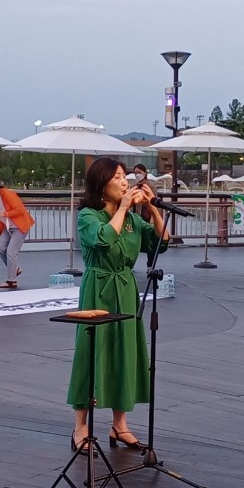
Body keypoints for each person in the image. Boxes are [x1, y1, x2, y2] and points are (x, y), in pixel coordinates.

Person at [67, 157, 169, 454]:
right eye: (117, 177)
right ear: (101, 184)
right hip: (98, 287)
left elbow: (161, 242)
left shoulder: (134, 221)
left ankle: (119, 425)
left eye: (125, 176)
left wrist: (152, 208)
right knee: (91, 352)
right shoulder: (89, 216)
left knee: (124, 351)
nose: (124, 182)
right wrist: (124, 207)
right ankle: (80, 426)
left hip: (125, 288)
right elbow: (102, 239)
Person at [0, 177, 35, 289]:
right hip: (8, 227)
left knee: (11, 251)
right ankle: (15, 269)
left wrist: (3, 214)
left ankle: (11, 281)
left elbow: (19, 209)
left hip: (19, 225)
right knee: (0, 248)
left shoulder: (8, 194)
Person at [132, 163, 158, 268]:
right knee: (132, 242)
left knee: (150, 242)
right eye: (135, 173)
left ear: (145, 173)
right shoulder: (134, 186)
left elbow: (154, 201)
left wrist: (153, 217)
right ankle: (130, 264)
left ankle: (150, 265)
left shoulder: (150, 186)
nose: (137, 175)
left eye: (139, 172)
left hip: (147, 217)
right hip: (136, 216)